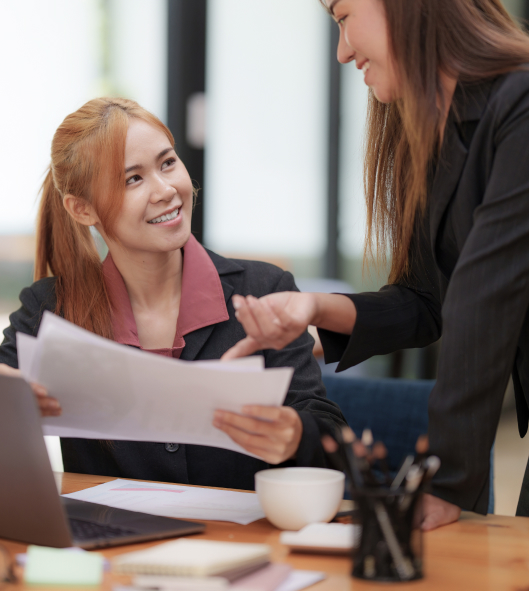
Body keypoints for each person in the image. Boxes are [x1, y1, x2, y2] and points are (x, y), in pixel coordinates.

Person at [224, 0, 529, 536]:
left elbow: (484, 298)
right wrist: (312, 311)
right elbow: (427, 302)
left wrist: (444, 480)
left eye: (343, 16)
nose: (342, 50)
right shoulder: (431, 127)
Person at [0, 97, 346, 492]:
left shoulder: (264, 290)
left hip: (242, 545)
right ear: (82, 209)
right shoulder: (49, 311)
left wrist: (296, 433)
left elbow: (333, 437)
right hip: (108, 545)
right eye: (133, 179)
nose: (166, 190)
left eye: (167, 163)